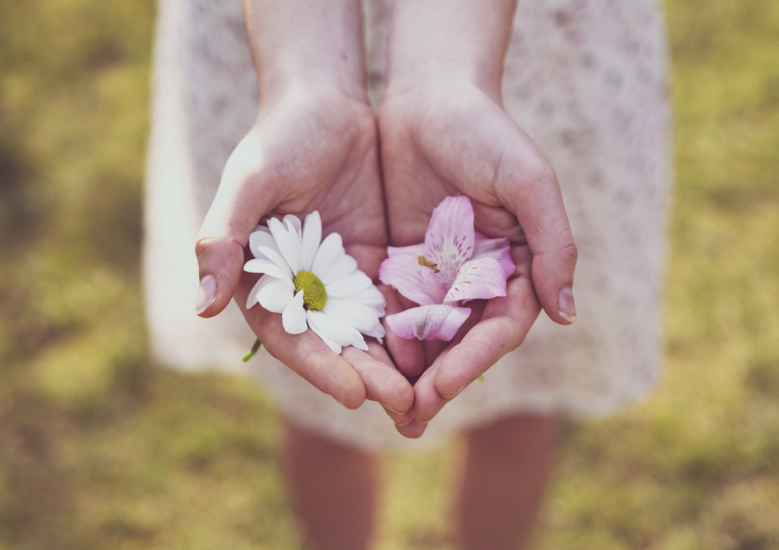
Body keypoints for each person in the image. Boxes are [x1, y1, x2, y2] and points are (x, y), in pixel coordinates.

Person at [144, 0, 671, 548]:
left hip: (527, 46)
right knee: (318, 403)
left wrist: (443, 82)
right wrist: (307, 84)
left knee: (522, 401)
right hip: (280, 32)